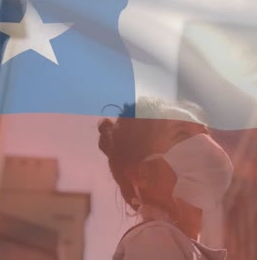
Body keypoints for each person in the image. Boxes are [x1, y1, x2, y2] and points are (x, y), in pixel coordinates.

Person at [98, 97, 234, 260]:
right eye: (182, 135)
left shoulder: (175, 243)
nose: (204, 144)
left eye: (204, 134)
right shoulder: (151, 238)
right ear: (143, 175)